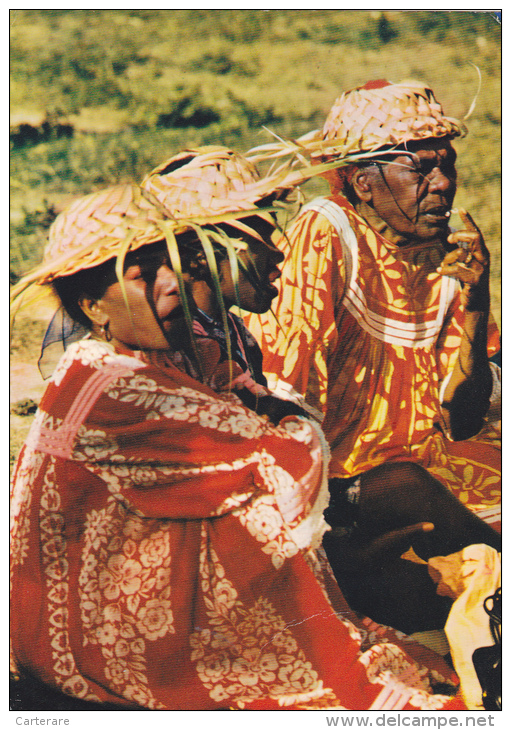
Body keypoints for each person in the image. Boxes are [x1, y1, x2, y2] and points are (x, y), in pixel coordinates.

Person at [10, 181, 468, 711]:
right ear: (93, 306)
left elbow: (261, 420)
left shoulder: (181, 348)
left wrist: (274, 416)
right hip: (92, 631)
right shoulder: (110, 385)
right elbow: (286, 453)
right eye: (144, 275)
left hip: (145, 582)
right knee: (385, 561)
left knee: (397, 534)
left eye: (174, 264)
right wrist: (280, 418)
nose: (170, 284)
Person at [246, 80, 501, 627]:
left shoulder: (449, 262)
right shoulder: (329, 231)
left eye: (447, 166)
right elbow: (288, 384)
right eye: (420, 170)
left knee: (444, 586)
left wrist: (477, 305)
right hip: (319, 491)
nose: (442, 186)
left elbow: (462, 421)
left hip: (412, 482)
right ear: (364, 182)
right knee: (405, 494)